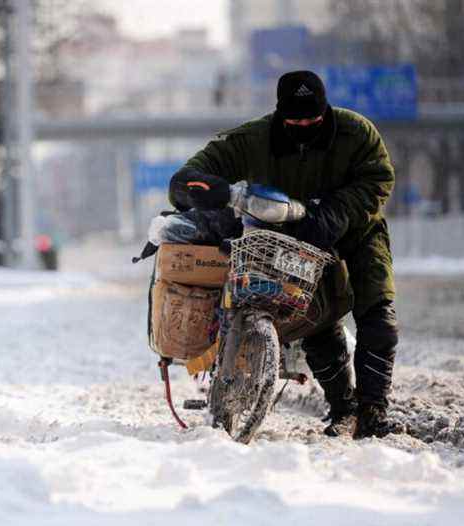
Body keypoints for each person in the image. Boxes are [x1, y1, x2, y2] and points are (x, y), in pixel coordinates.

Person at [167, 70, 399, 439]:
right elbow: (196, 170)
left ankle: (373, 411)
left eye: (314, 120)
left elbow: (378, 179)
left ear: (326, 112)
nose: (305, 125)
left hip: (357, 231)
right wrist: (192, 187)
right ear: (280, 115)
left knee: (378, 318)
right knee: (315, 322)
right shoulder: (253, 139)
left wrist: (335, 212)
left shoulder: (357, 132)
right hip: (291, 237)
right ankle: (344, 407)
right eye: (295, 121)